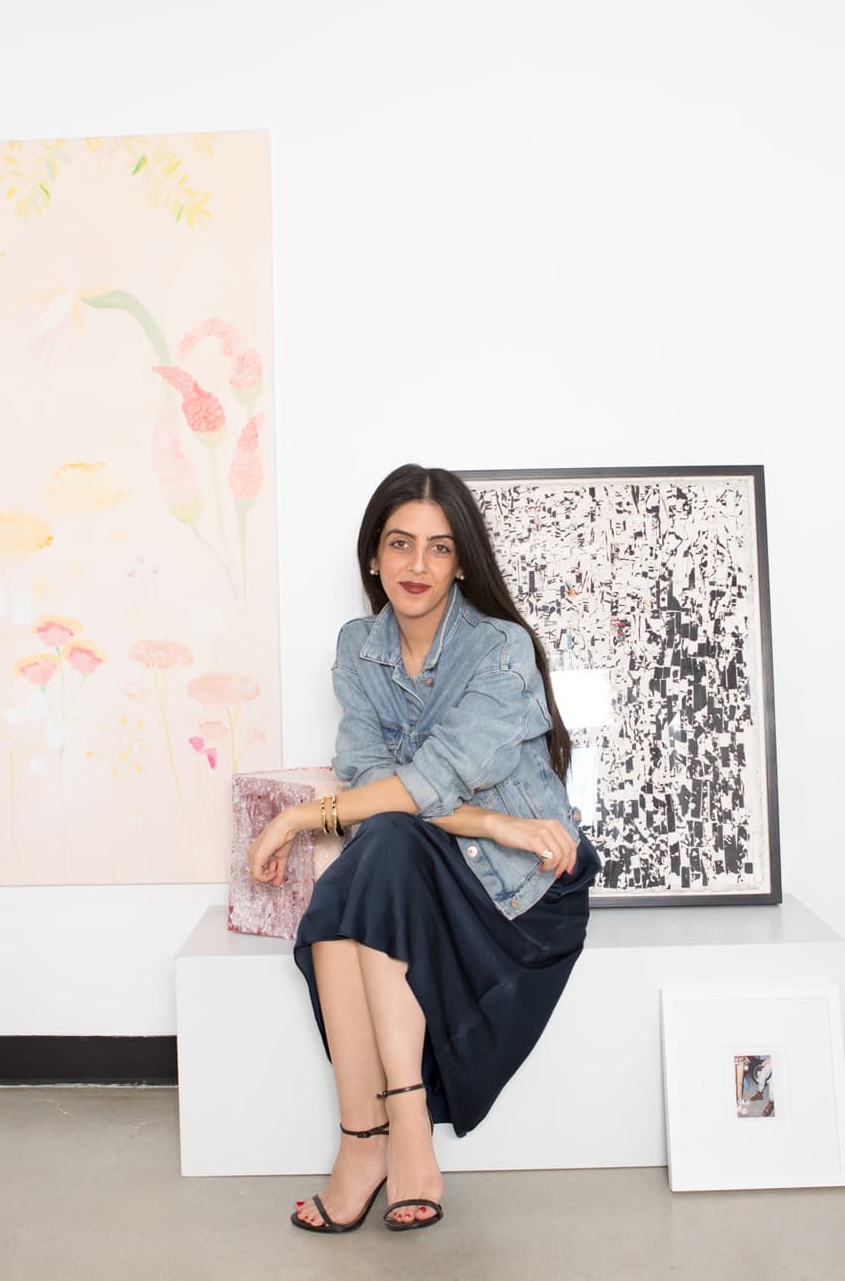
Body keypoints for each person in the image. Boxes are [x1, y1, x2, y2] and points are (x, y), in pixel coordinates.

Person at [247, 463, 599, 1234]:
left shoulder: (499, 648)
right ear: (373, 557)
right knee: (377, 851)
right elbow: (376, 781)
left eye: (439, 547)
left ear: (462, 562)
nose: (417, 564)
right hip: (455, 853)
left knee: (375, 855)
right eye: (400, 543)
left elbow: (430, 779)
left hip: (524, 887)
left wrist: (301, 816)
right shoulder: (359, 649)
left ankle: (391, 1130)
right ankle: (371, 1140)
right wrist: (494, 821)